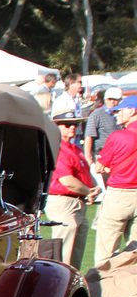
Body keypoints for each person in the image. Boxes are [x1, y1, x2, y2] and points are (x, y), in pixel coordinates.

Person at [45, 110, 96, 269]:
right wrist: (89, 191)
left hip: (78, 202)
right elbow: (67, 180)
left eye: (76, 124)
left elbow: (85, 174)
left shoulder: (76, 149)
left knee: (76, 253)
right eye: (67, 125)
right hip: (64, 201)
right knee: (64, 254)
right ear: (56, 126)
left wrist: (94, 188)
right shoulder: (59, 148)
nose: (72, 128)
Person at [92, 97, 137, 265]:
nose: (115, 115)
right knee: (134, 253)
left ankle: (102, 289)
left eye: (119, 111)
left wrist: (112, 169)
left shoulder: (118, 136)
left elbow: (99, 167)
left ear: (131, 111)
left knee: (106, 252)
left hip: (119, 194)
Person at [88, 88, 124, 157]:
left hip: (119, 152)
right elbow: (89, 136)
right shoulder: (96, 114)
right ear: (105, 100)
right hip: (102, 153)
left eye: (115, 99)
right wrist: (89, 158)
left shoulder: (123, 113)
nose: (113, 102)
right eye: (110, 99)